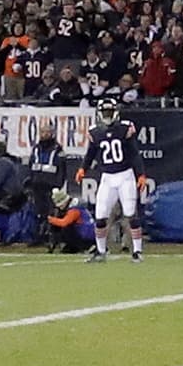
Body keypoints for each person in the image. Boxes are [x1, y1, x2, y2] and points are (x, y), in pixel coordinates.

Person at [77, 98, 146, 263]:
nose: (107, 115)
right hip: (107, 177)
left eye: (109, 112)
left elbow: (134, 153)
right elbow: (91, 152)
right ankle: (101, 251)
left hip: (125, 175)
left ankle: (137, 251)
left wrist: (140, 174)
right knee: (100, 216)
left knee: (130, 214)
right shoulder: (95, 131)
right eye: (105, 112)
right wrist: (82, 168)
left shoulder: (125, 128)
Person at [28, 121, 67, 243]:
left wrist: (58, 186)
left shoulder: (57, 149)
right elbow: (31, 166)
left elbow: (62, 169)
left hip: (51, 186)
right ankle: (38, 237)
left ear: (51, 133)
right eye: (42, 132)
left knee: (51, 213)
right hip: (37, 185)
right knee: (38, 212)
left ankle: (52, 238)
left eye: (46, 132)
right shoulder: (36, 149)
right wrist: (30, 181)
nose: (43, 134)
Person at [46, 187, 94, 254]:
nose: (60, 208)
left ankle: (85, 247)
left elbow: (64, 223)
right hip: (89, 234)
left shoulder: (73, 210)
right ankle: (73, 247)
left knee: (67, 229)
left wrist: (51, 220)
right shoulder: (77, 206)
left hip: (86, 236)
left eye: (61, 205)